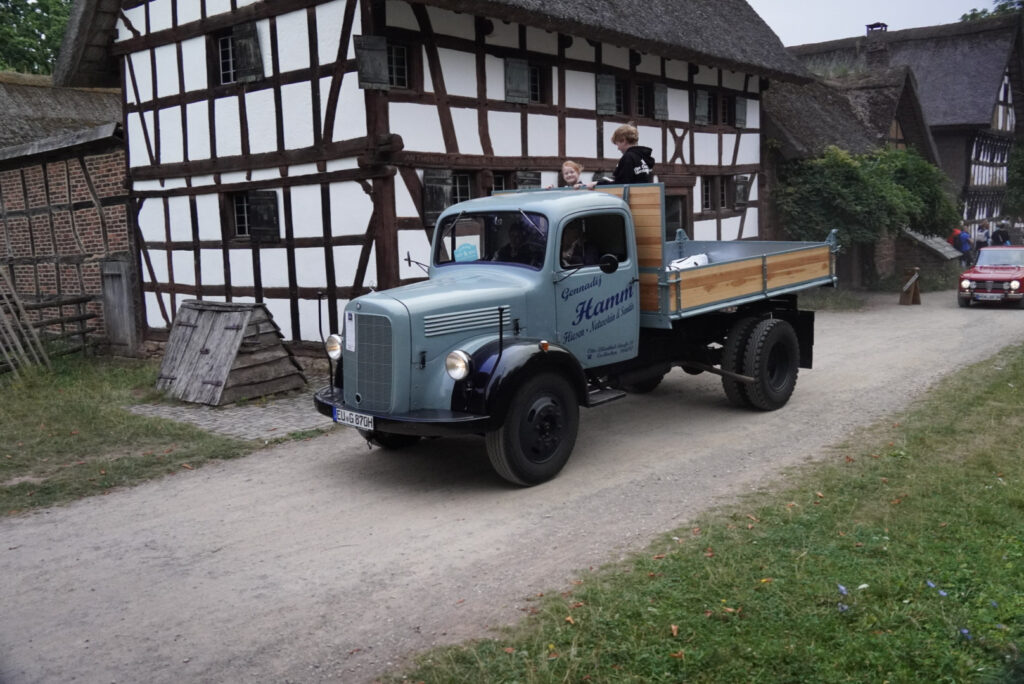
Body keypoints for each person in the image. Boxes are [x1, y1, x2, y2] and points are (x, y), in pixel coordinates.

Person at [583, 123, 655, 188]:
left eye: (617, 144)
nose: (618, 148)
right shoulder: (643, 157)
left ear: (623, 141)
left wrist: (597, 184)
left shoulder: (628, 157)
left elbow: (621, 184)